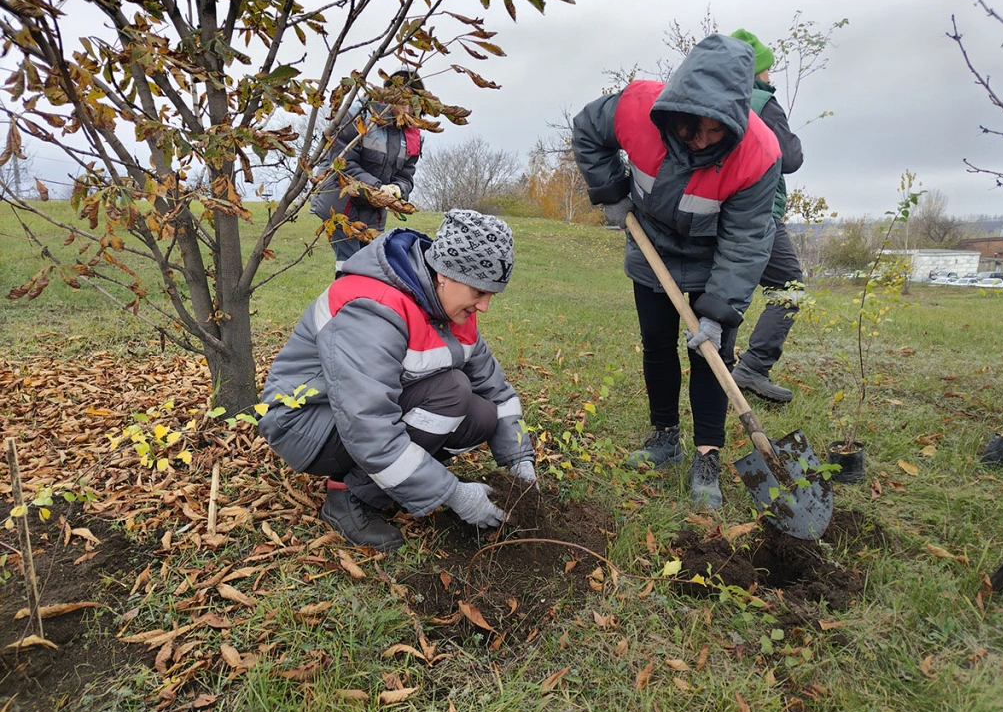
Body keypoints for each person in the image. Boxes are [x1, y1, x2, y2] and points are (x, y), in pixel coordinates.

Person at [572, 34, 781, 509]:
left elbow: (746, 240)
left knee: (712, 354)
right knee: (658, 344)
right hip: (649, 248)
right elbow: (587, 129)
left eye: (716, 133)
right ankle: (664, 436)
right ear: (675, 110)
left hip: (712, 260)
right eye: (693, 128)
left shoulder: (759, 153)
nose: (703, 140)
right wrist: (610, 191)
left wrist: (718, 310)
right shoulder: (635, 108)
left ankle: (707, 455)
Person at [258, 210, 537, 552]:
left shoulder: (450, 310)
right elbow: (367, 424)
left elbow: (497, 392)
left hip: (345, 418)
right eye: (479, 292)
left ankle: (399, 483)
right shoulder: (373, 307)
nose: (485, 307)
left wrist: (519, 459)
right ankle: (348, 499)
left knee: (482, 415)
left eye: (492, 294)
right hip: (304, 424)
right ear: (445, 274)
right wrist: (452, 493)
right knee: (453, 392)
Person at [728, 29, 805, 404]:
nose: (771, 77)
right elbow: (790, 159)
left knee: (728, 288)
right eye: (767, 70)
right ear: (755, 71)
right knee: (789, 289)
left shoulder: (719, 101)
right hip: (760, 211)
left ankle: (719, 367)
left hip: (721, 209)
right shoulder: (764, 103)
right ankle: (754, 367)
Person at [311, 70, 424, 278]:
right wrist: (377, 187)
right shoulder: (357, 115)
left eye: (413, 102)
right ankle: (342, 307)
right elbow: (343, 164)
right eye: (402, 98)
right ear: (387, 94)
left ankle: (358, 306)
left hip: (374, 211)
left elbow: (406, 175)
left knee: (368, 268)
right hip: (340, 202)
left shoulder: (413, 136)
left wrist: (398, 189)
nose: (407, 106)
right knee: (348, 265)